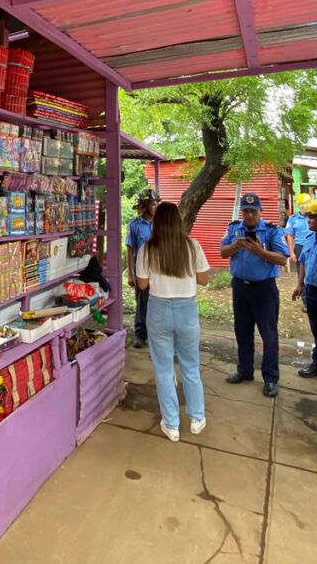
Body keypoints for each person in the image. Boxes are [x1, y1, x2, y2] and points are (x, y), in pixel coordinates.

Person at [134, 202, 210, 442]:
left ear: (156, 223)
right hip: (187, 309)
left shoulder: (147, 249)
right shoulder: (192, 246)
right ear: (179, 221)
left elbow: (143, 284)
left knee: (164, 369)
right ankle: (197, 418)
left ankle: (171, 424)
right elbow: (205, 279)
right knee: (190, 365)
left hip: (158, 310)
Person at [220, 193, 289, 397]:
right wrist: (236, 245)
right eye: (246, 211)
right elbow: (223, 252)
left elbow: (283, 259)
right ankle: (245, 370)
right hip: (241, 287)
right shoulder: (234, 228)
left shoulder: (271, 231)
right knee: (242, 331)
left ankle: (270, 378)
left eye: (253, 211)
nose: (249, 215)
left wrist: (259, 251)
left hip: (264, 289)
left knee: (268, 335)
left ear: (260, 211)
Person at [291, 199, 317, 378]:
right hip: (311, 290)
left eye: (313, 218)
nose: (309, 221)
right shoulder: (310, 238)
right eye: (308, 218)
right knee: (316, 328)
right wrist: (299, 285)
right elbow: (303, 261)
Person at [126, 187, 159, 349]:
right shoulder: (134, 226)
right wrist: (130, 274)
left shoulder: (161, 224)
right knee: (142, 303)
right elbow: (130, 250)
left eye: (156, 204)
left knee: (158, 303)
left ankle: (156, 334)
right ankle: (140, 334)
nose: (156, 207)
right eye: (153, 204)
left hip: (159, 271)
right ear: (145, 206)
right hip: (142, 271)